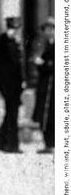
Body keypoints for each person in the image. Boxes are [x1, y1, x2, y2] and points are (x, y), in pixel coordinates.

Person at [0, 15, 25, 154]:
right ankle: (12, 145)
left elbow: (19, 65)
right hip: (7, 84)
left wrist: (22, 81)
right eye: (13, 28)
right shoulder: (3, 41)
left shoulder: (14, 42)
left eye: (16, 28)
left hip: (15, 84)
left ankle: (1, 143)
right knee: (12, 114)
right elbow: (1, 64)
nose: (15, 31)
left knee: (11, 113)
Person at [32, 16, 54, 154]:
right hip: (45, 86)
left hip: (52, 87)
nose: (48, 32)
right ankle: (48, 144)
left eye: (51, 29)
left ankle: (51, 144)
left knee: (50, 116)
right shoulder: (47, 45)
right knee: (44, 116)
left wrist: (42, 64)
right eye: (46, 30)